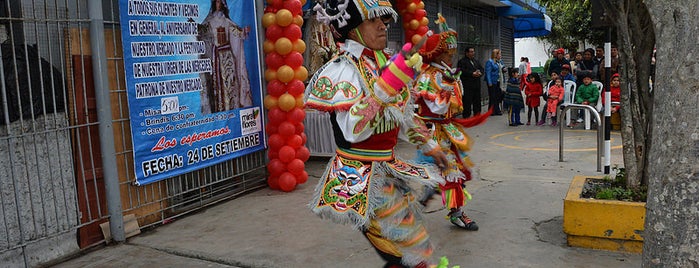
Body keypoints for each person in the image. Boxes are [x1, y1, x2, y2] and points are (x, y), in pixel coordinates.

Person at [307, 1, 450, 267]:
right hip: (358, 175)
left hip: (387, 167)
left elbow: (403, 115)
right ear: (352, 30)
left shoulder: (381, 63)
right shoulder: (343, 69)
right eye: (373, 20)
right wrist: (384, 89)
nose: (383, 25)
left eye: (384, 19)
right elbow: (353, 131)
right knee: (411, 253)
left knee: (409, 251)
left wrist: (431, 146)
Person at [413, 14, 489, 232]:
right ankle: (455, 213)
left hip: (446, 129)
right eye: (448, 53)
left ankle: (422, 202)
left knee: (452, 172)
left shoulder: (444, 73)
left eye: (451, 53)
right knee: (451, 173)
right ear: (438, 53)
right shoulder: (430, 76)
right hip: (434, 131)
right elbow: (436, 107)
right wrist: (447, 89)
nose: (451, 57)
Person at [198, 0, 253, 113]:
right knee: (216, 86)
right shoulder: (208, 22)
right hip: (215, 58)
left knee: (230, 85)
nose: (219, 5)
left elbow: (236, 33)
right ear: (214, 4)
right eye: (217, 2)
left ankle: (231, 108)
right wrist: (197, 29)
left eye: (221, 2)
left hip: (227, 59)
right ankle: (218, 110)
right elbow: (202, 34)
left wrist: (243, 32)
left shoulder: (227, 21)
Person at [457, 47, 484, 118]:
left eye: (473, 52)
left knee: (477, 100)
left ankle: (477, 114)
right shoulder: (462, 61)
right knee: (467, 101)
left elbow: (481, 68)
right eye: (471, 52)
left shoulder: (476, 61)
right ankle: (466, 115)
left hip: (476, 84)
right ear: (467, 53)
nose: (473, 53)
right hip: (468, 85)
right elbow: (462, 71)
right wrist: (472, 73)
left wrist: (480, 73)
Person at [485, 49, 504, 116]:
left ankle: (497, 109)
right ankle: (491, 110)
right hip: (492, 81)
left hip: (498, 80)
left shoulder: (500, 62)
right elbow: (488, 72)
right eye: (499, 54)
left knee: (497, 96)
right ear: (495, 55)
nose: (500, 56)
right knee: (492, 96)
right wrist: (489, 81)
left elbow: (502, 68)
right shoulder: (490, 62)